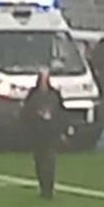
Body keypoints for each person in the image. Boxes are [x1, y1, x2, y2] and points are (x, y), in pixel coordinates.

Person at [21, 70, 69, 199]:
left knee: (50, 160)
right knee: (39, 161)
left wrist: (62, 131)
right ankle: (43, 186)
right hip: (37, 133)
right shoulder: (33, 96)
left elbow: (61, 114)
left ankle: (49, 188)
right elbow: (26, 113)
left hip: (51, 133)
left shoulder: (54, 95)